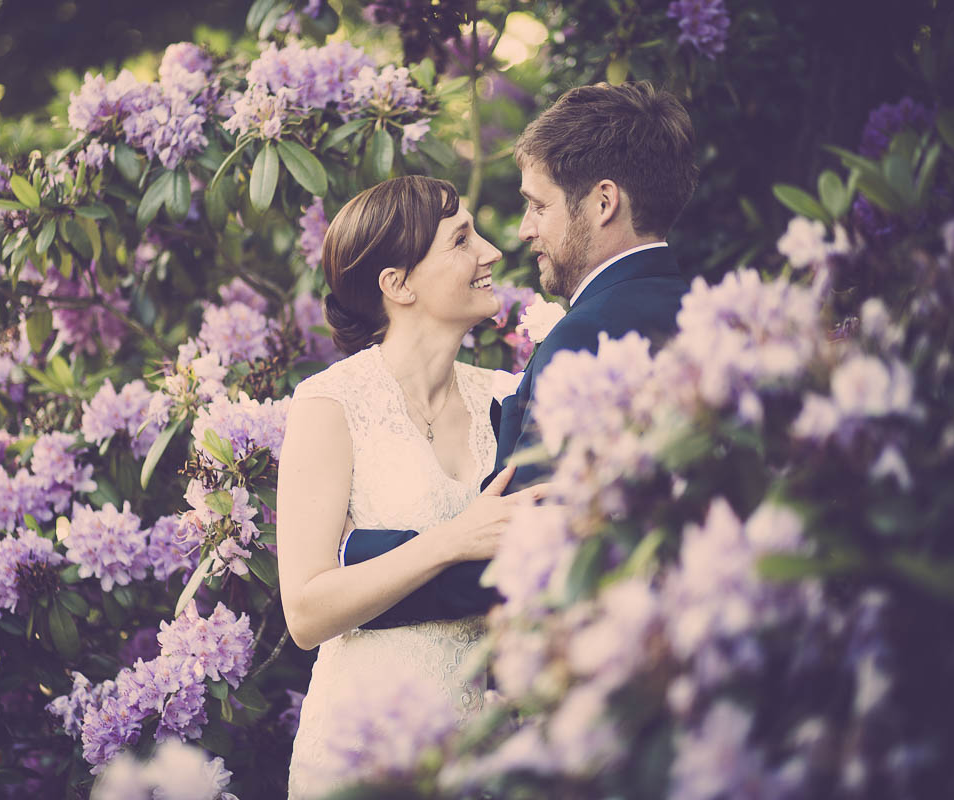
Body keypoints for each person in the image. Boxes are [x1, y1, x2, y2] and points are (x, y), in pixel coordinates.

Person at [343, 80, 698, 626]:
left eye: (538, 205)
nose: (523, 230)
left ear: (604, 203)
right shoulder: (702, 314)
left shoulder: (588, 336)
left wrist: (350, 561)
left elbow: (529, 551)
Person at [276, 175, 546, 798]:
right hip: (360, 753)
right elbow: (307, 611)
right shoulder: (329, 404)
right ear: (398, 285)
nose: (491, 253)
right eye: (461, 240)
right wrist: (454, 540)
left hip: (480, 754)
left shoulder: (507, 398)